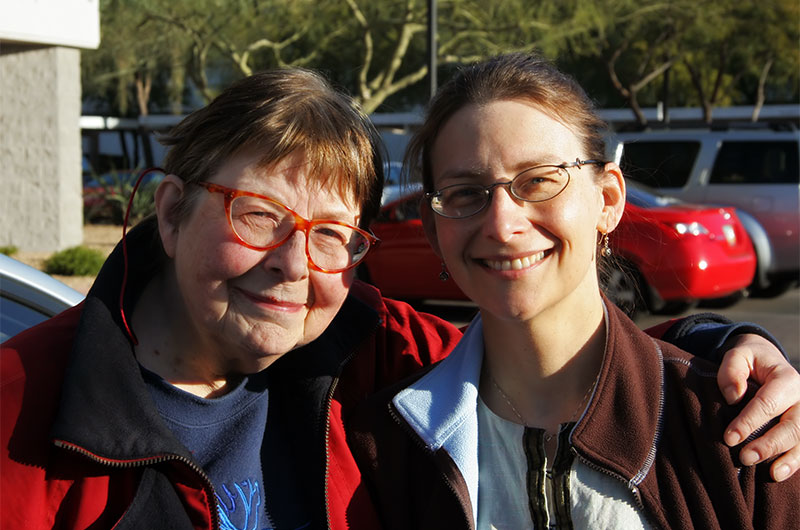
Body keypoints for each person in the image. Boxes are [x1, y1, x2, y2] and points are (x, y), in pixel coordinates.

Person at [0, 66, 797, 530]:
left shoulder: (379, 364)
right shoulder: (23, 412)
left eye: (331, 235)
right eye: (258, 216)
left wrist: (720, 346)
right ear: (171, 213)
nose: (292, 266)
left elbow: (554, 352)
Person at [348, 53, 800, 529]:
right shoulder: (389, 443)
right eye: (465, 192)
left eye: (539, 181)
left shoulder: (735, 429)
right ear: (435, 229)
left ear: (607, 201)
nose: (502, 225)